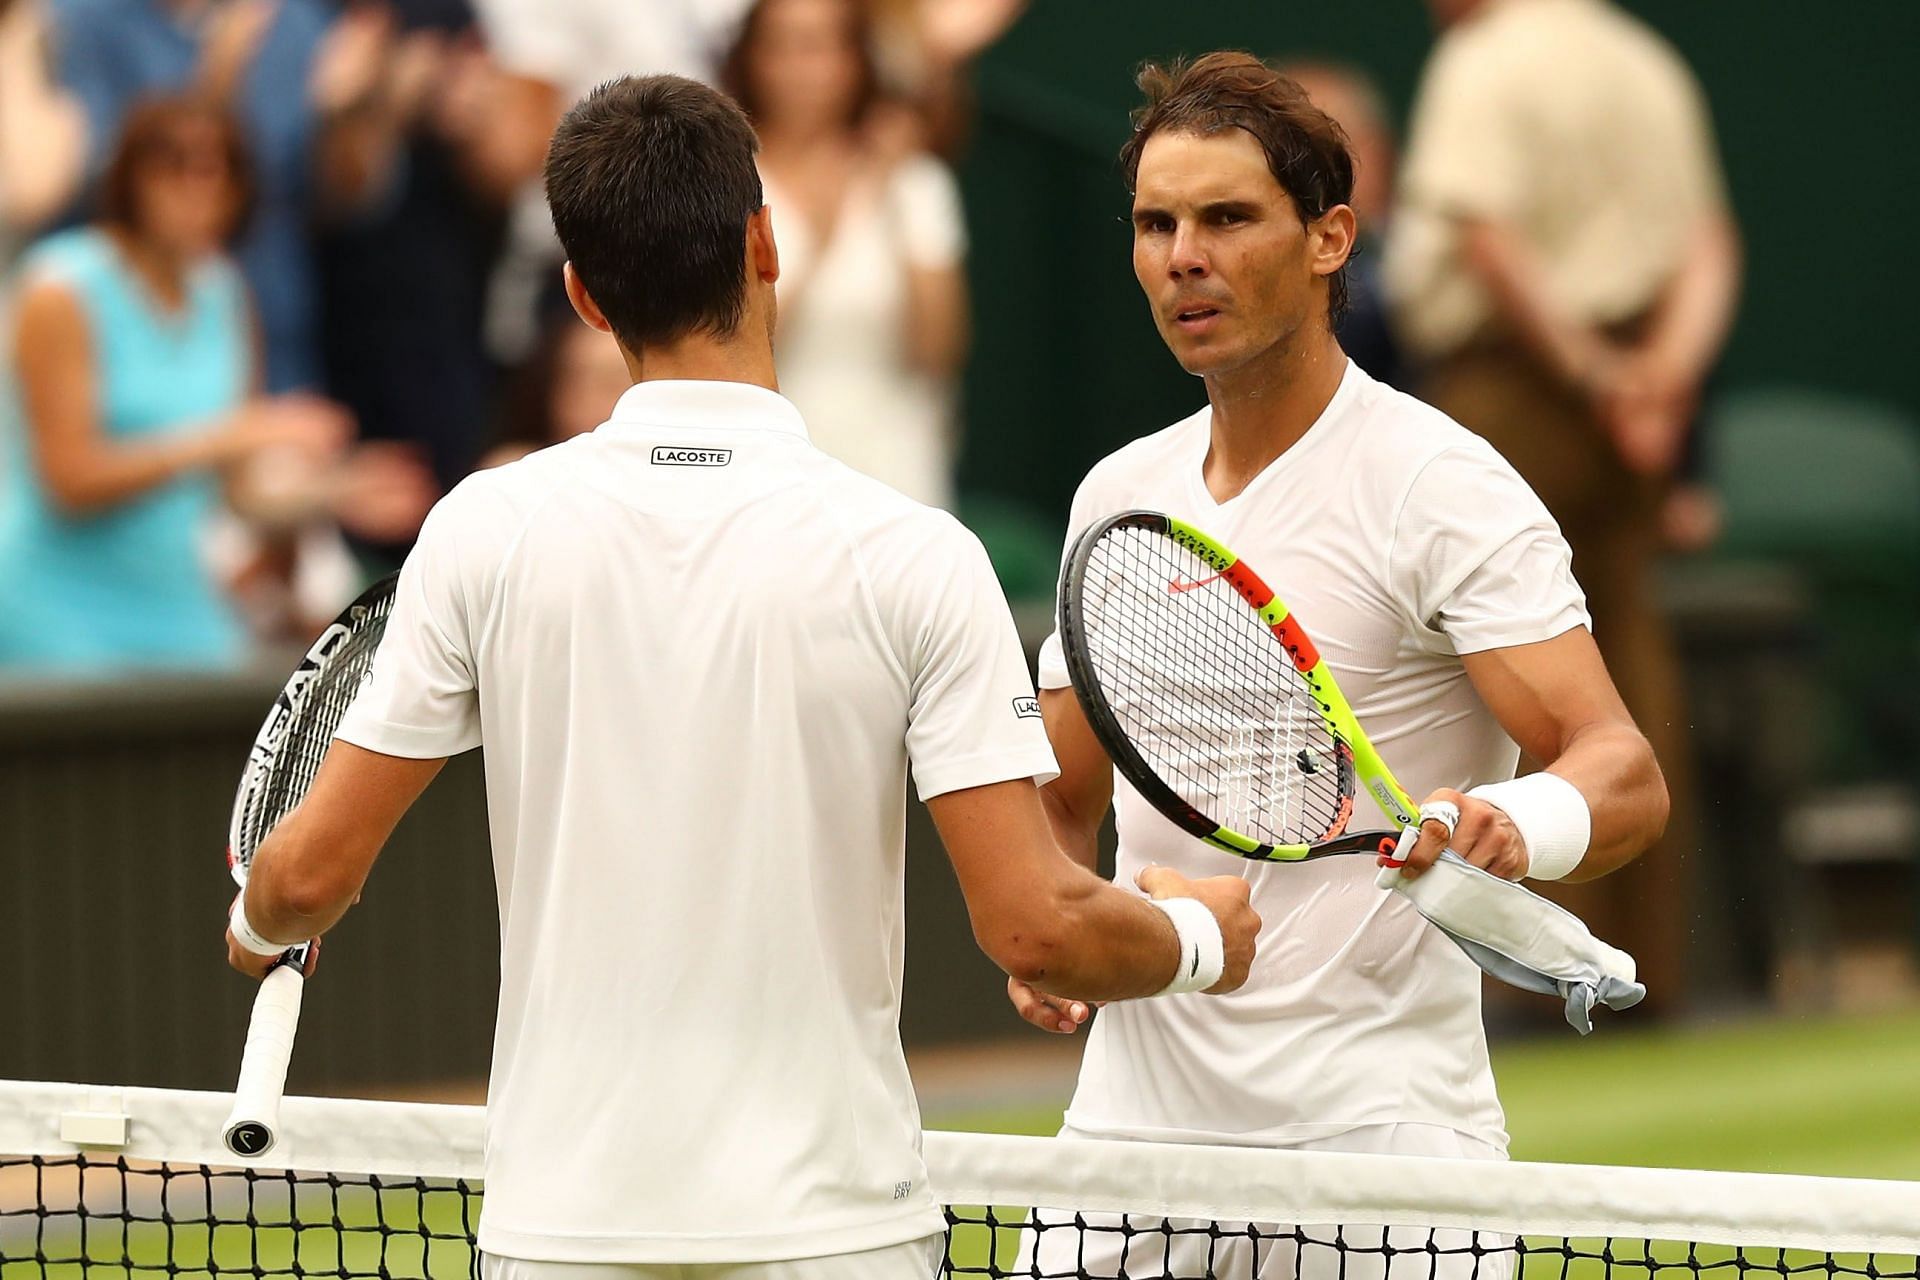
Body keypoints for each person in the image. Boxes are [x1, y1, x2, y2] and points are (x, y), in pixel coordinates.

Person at [222, 74, 1261, 1278]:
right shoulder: (915, 554)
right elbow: (1036, 925)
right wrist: (1200, 936)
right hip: (837, 1237)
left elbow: (306, 876)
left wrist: (259, 920)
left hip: (562, 1237)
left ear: (583, 293)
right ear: (766, 242)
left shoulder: (482, 530)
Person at [1009, 53, 1669, 1278]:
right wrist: (1058, 925)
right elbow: (1062, 791)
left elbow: (1622, 770)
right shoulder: (1118, 497)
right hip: (1134, 1148)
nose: (1181, 256)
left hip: (1383, 1153)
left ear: (1329, 239)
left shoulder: (1442, 485)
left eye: (1225, 218)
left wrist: (1510, 817)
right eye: (1156, 224)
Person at [1383, 0, 1741, 1011]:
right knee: (1627, 664)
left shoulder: (1484, 60)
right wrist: (1660, 379)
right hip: (1633, 397)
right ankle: (1646, 973)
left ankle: (1529, 985)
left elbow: (1488, 240)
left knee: (1505, 670)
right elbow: (1709, 247)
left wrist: (1595, 376)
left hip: (1517, 382)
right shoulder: (1646, 59)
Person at [0, 94, 347, 668]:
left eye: (220, 171)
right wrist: (231, 436)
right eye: (176, 166)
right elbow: (67, 479)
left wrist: (335, 490)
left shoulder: (226, 293)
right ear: (130, 177)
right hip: (52, 603)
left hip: (177, 603)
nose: (198, 190)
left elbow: (233, 490)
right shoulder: (60, 288)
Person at [722, 0, 969, 508]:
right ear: (751, 57)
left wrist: (887, 188)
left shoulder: (912, 181)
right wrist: (823, 235)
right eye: (781, 47)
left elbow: (938, 351)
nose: (801, 69)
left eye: (820, 47)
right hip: (769, 465)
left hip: (895, 464)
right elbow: (735, 349)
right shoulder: (723, 184)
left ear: (857, 61)